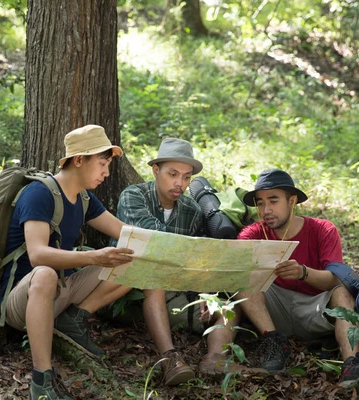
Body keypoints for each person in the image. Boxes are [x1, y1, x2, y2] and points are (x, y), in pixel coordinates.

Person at [112, 138, 264, 386]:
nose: (179, 183)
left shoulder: (191, 210)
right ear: (155, 170)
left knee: (231, 305)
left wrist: (205, 292)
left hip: (173, 292)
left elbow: (196, 258)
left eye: (186, 177)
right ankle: (169, 359)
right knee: (154, 273)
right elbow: (156, 243)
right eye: (172, 174)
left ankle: (215, 357)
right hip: (125, 291)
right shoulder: (134, 196)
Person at [0, 125, 135, 400]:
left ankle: (73, 320)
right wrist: (93, 257)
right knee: (46, 274)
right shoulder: (39, 194)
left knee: (131, 261)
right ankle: (42, 380)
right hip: (22, 301)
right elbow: (37, 255)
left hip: (62, 293)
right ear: (78, 160)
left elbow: (126, 234)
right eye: (102, 164)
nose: (107, 173)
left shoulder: (85, 198)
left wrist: (173, 245)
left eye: (108, 165)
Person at [236, 168, 359, 393]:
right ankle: (275, 343)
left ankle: (352, 365)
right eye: (260, 203)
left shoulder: (322, 230)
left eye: (273, 201)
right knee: (243, 278)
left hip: (315, 310)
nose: (266, 210)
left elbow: (334, 279)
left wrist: (303, 273)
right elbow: (233, 270)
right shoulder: (253, 233)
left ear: (292, 201)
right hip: (273, 311)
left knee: (341, 289)